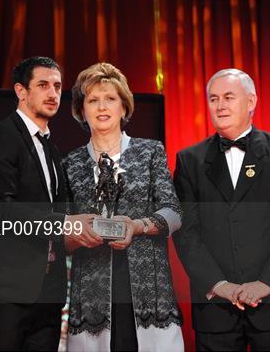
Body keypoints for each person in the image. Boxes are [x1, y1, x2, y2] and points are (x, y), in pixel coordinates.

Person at [173, 68, 270, 351]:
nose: (220, 105)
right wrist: (219, 284)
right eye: (213, 99)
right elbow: (186, 231)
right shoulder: (189, 160)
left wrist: (267, 283)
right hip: (216, 311)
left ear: (251, 102)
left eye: (228, 97)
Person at [0, 56, 97, 351]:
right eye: (43, 85)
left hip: (49, 293)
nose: (53, 93)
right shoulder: (1, 136)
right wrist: (67, 223)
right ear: (21, 91)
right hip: (7, 294)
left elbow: (58, 214)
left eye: (57, 86)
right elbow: (1, 211)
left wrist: (89, 231)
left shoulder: (51, 148)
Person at [63, 62, 184, 351]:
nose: (102, 106)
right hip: (91, 295)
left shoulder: (150, 151)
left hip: (149, 290)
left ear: (124, 107)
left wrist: (137, 226)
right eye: (93, 100)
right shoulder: (69, 164)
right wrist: (77, 233)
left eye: (110, 99)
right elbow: (62, 235)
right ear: (81, 110)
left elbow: (174, 212)